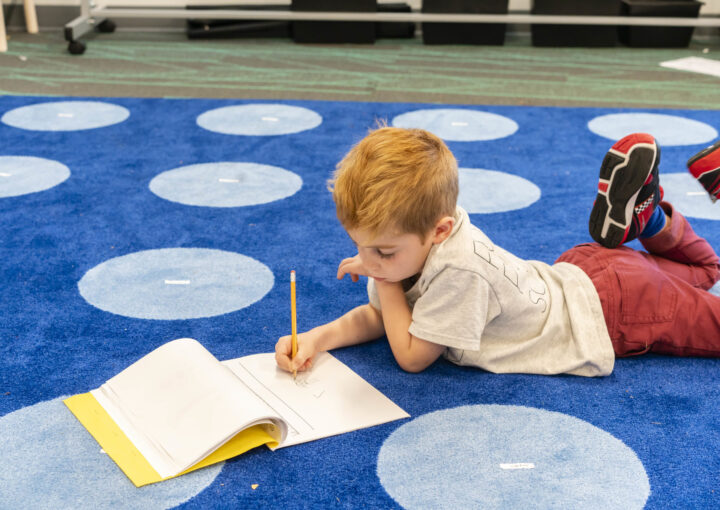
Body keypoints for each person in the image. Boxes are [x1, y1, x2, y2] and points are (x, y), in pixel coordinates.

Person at [274, 127, 720, 377]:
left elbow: (411, 356)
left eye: (383, 252)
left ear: (440, 230)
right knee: (706, 269)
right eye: (359, 246)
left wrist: (386, 277)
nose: (368, 260)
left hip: (618, 310)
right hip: (587, 272)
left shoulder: (458, 273)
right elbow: (383, 316)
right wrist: (319, 338)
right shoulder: (417, 238)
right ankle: (649, 219)